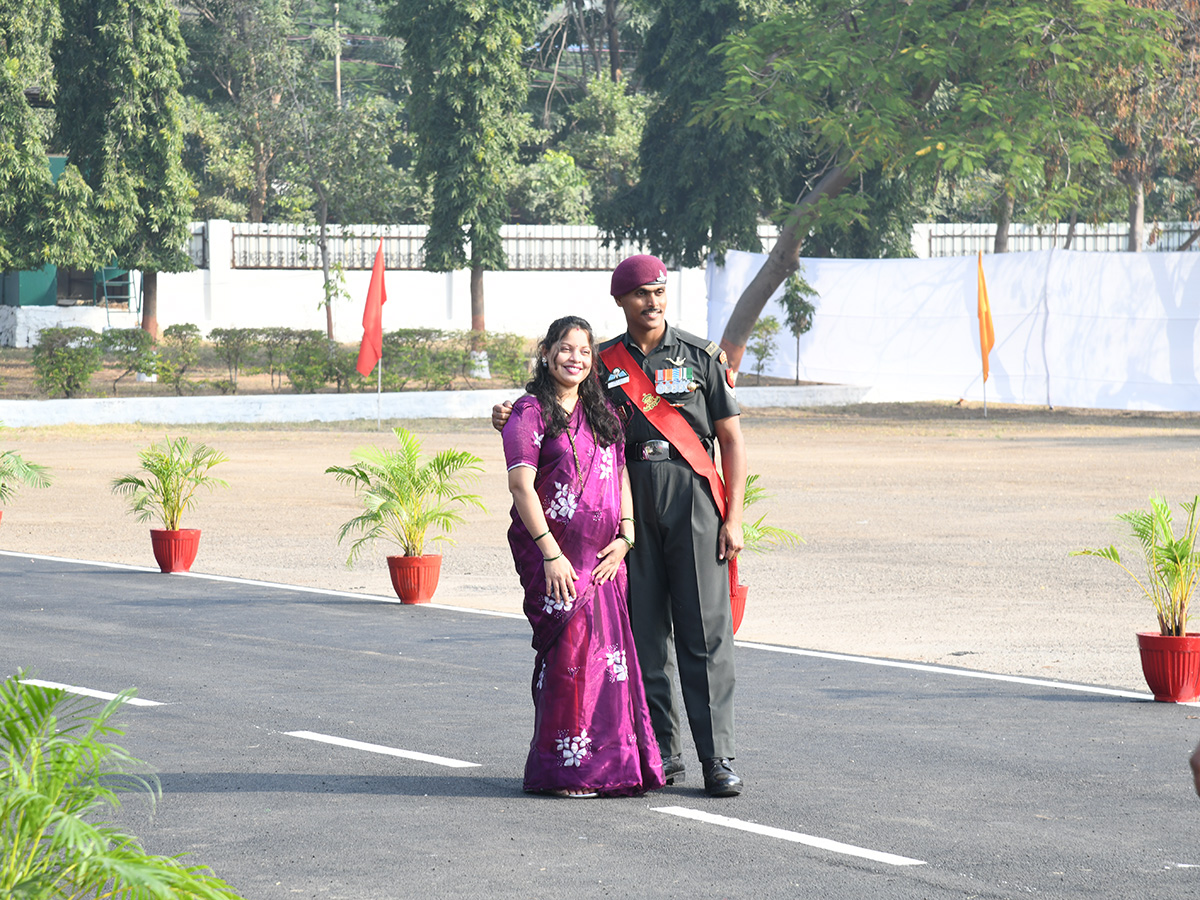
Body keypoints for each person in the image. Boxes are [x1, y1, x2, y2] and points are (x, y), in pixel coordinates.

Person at [494, 255, 747, 797]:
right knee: (644, 635)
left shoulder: (701, 357)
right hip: (631, 503)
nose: (651, 302)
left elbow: (731, 440)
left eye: (659, 292)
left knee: (704, 634)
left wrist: (735, 517)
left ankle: (718, 757)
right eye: (640, 294)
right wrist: (507, 413)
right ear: (621, 302)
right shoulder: (602, 362)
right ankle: (662, 749)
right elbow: (557, 409)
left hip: (692, 498)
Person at [502, 315, 664, 798]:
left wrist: (626, 536)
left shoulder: (604, 414)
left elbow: (620, 477)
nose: (575, 358)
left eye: (585, 351)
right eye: (566, 348)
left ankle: (614, 766)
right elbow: (520, 485)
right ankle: (568, 770)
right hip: (559, 562)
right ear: (547, 352)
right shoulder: (528, 412)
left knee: (611, 664)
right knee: (571, 661)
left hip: (606, 560)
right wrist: (550, 554)